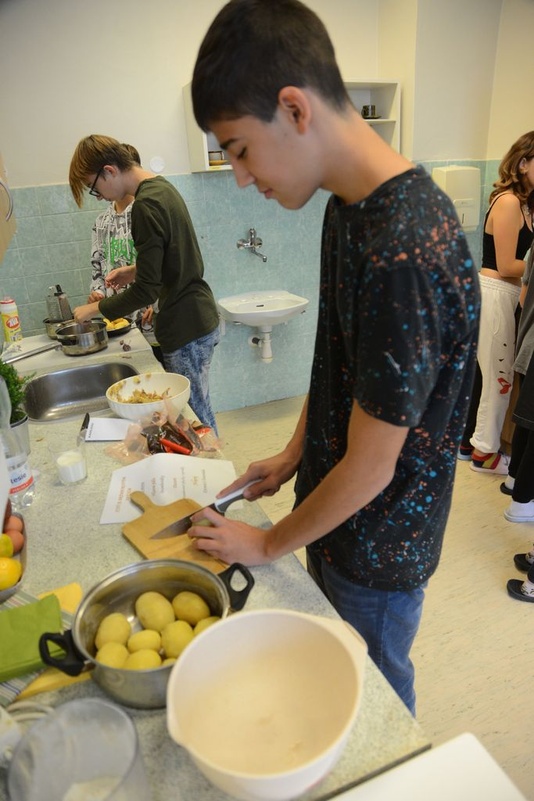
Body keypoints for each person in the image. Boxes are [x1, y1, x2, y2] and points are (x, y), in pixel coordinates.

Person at [186, 0, 480, 715]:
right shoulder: (346, 207)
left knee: (376, 705)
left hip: (379, 545)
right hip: (331, 512)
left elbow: (374, 466)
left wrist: (265, 546)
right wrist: (293, 452)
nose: (241, 177)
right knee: (328, 685)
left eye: (240, 149)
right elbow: (341, 363)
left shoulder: (406, 246)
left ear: (294, 109)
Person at [68, 135, 220, 432]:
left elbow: (146, 292)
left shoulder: (144, 206)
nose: (99, 196)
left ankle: (211, 461)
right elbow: (176, 257)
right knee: (196, 410)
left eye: (94, 188)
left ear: (109, 170)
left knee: (191, 418)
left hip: (185, 324)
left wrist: (94, 309)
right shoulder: (162, 187)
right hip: (198, 316)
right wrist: (135, 270)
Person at [459, 132, 534, 474]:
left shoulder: (525, 204)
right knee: (499, 380)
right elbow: (506, 265)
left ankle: (468, 445)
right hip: (496, 292)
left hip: (504, 294)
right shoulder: (508, 202)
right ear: (523, 163)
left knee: (485, 377)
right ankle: (485, 455)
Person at [87, 143, 164, 367]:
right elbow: (97, 266)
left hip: (151, 320)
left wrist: (157, 304)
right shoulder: (102, 222)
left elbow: (162, 264)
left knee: (158, 373)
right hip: (118, 322)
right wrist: (97, 293)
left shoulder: (145, 211)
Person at [501, 246, 534, 521]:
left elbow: (524, 297)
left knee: (527, 418)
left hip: (528, 342)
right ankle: (522, 501)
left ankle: (514, 481)